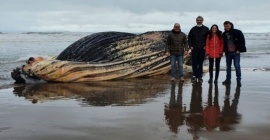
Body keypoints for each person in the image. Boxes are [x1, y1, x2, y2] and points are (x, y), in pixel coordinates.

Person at [222, 21, 246, 87]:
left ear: (231, 25)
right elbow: (223, 43)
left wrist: (239, 50)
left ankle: (238, 81)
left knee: (237, 66)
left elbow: (242, 42)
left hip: (236, 52)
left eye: (228, 26)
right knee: (228, 67)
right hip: (228, 53)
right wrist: (223, 51)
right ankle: (228, 80)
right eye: (225, 26)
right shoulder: (224, 34)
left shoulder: (237, 32)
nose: (226, 27)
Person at [188, 16, 209, 83]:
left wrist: (206, 46)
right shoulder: (193, 29)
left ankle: (200, 76)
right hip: (194, 48)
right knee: (194, 63)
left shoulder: (206, 29)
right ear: (196, 21)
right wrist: (190, 46)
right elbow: (189, 38)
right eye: (198, 20)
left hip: (202, 49)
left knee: (200, 63)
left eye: (200, 20)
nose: (199, 21)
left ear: (202, 21)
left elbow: (208, 39)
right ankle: (194, 75)